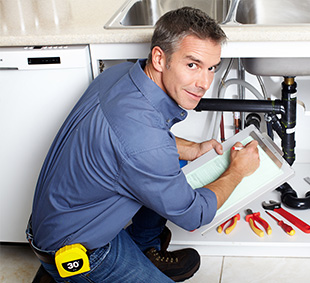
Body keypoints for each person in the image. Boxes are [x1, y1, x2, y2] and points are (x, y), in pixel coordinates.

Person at [27, 6, 260, 283]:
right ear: (160, 59)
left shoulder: (121, 74)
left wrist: (194, 149)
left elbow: (133, 146)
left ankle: (143, 247)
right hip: (80, 252)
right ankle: (62, 279)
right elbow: (195, 214)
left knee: (175, 162)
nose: (204, 82)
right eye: (192, 65)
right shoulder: (145, 143)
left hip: (66, 219)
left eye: (211, 68)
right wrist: (237, 171)